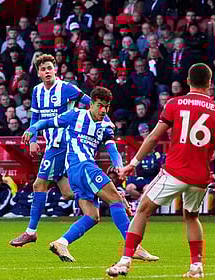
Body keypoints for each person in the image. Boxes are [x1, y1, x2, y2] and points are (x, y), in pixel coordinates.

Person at [106, 63, 215, 279]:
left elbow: (154, 136)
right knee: (192, 216)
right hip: (201, 176)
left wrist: (132, 163)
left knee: (143, 209)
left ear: (188, 81)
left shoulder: (175, 104)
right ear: (210, 83)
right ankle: (196, 266)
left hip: (175, 171)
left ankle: (125, 261)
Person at [21, 86, 158, 262]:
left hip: (79, 173)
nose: (103, 110)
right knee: (116, 199)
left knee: (92, 216)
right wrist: (32, 129)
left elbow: (112, 149)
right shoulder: (75, 115)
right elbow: (46, 122)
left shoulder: (107, 125)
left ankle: (61, 243)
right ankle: (134, 247)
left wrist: (119, 166)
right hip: (82, 166)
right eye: (100, 105)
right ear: (91, 104)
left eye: (106, 107)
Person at [9, 54, 92, 247]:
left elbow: (91, 104)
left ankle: (31, 232)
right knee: (68, 192)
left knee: (39, 185)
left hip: (63, 144)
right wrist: (33, 139)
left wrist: (87, 124)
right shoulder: (37, 91)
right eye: (43, 69)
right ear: (38, 73)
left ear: (56, 69)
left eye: (50, 68)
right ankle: (104, 193)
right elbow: (35, 117)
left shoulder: (67, 88)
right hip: (51, 143)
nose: (47, 71)